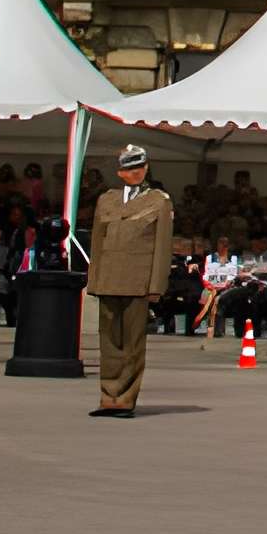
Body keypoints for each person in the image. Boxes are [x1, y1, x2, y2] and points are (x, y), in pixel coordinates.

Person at [84, 144, 174, 417]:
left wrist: (156, 285)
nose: (134, 173)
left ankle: (125, 399)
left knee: (132, 343)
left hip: (138, 280)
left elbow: (162, 246)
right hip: (109, 277)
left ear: (146, 168)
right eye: (129, 169)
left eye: (139, 167)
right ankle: (108, 398)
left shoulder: (159, 200)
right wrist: (94, 279)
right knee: (108, 342)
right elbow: (97, 244)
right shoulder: (107, 199)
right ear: (120, 172)